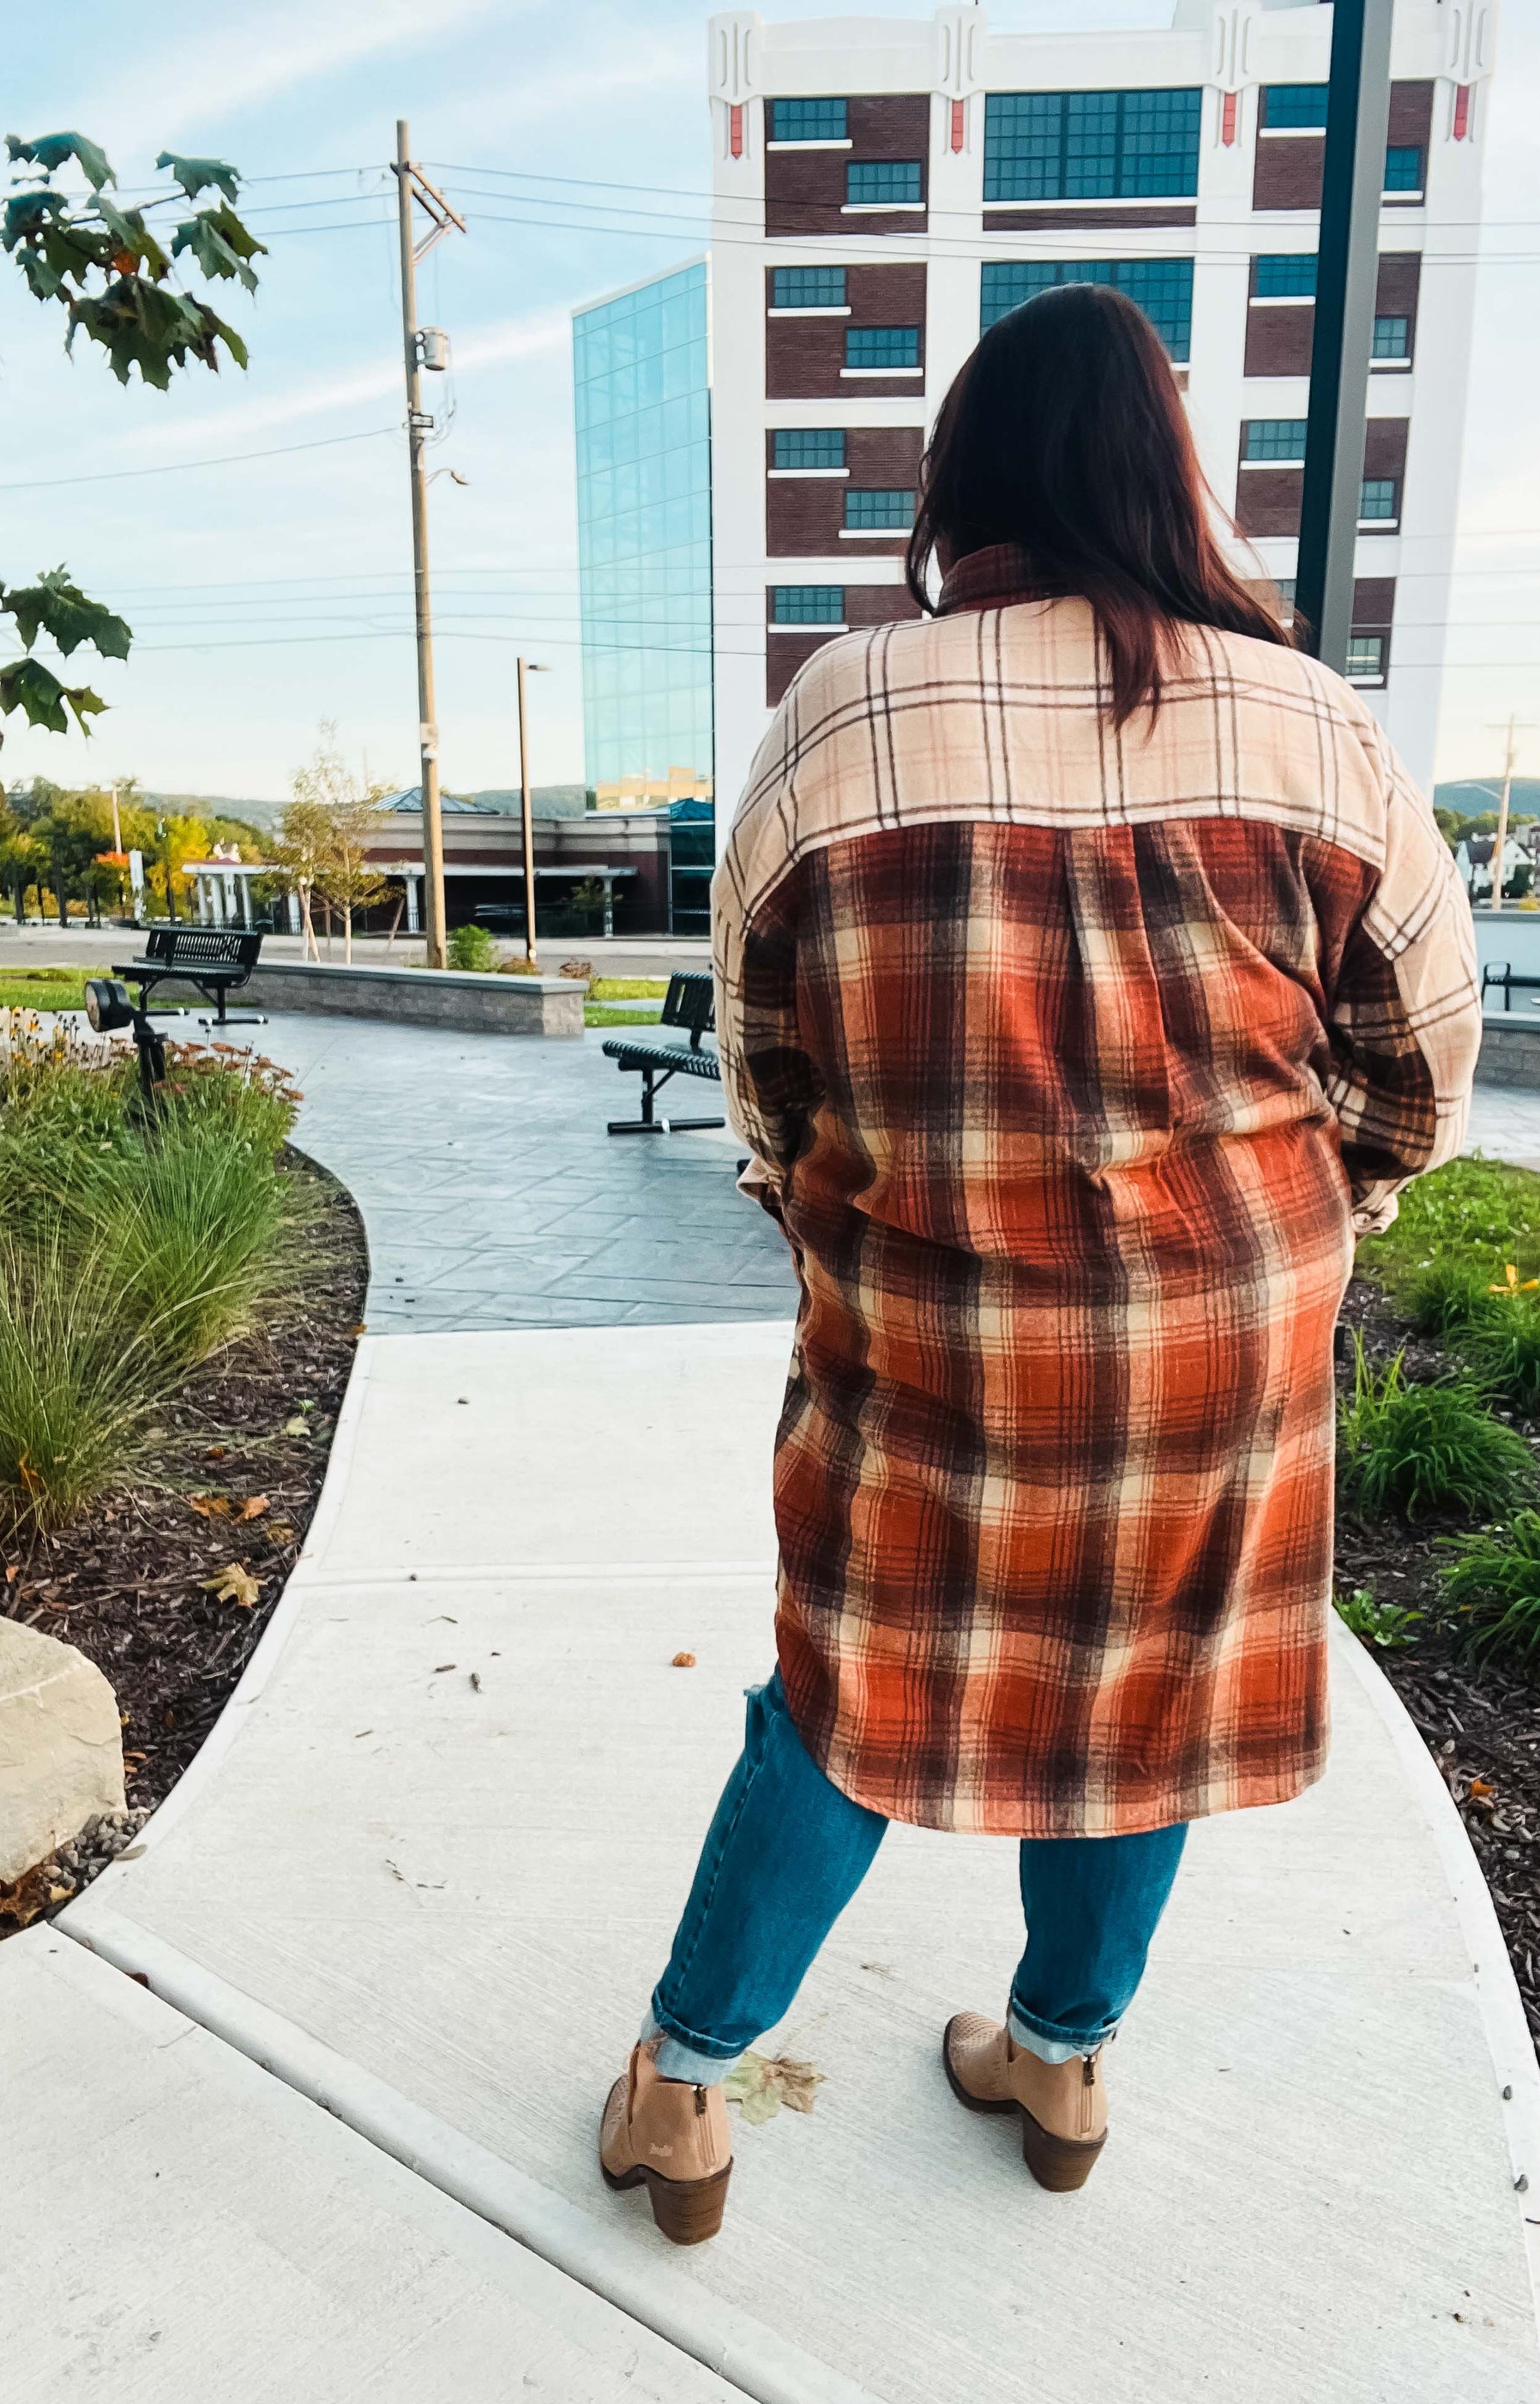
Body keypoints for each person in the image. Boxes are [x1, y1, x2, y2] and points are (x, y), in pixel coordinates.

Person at [599, 283, 1481, 2245]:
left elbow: (764, 1066)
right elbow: (1424, 1052)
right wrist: (1325, 1217)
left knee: (846, 1693)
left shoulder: (842, 708)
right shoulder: (1314, 721)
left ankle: (684, 2084)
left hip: (928, 1320)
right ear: (1170, 473)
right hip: (1219, 1342)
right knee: (1138, 1688)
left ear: (962, 476)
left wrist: (830, 1216)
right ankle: (1062, 2052)